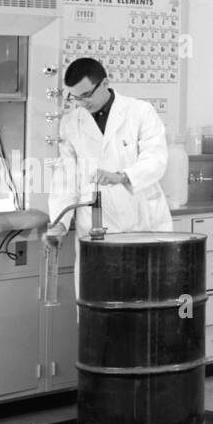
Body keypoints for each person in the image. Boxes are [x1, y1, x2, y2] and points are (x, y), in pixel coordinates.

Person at [46, 58, 172, 287]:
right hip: (97, 231)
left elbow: (156, 160)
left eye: (86, 95)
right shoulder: (70, 124)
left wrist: (123, 176)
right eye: (75, 98)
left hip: (144, 225)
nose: (81, 103)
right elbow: (65, 180)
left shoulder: (140, 112)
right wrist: (60, 223)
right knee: (98, 309)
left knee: (149, 307)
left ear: (105, 83)